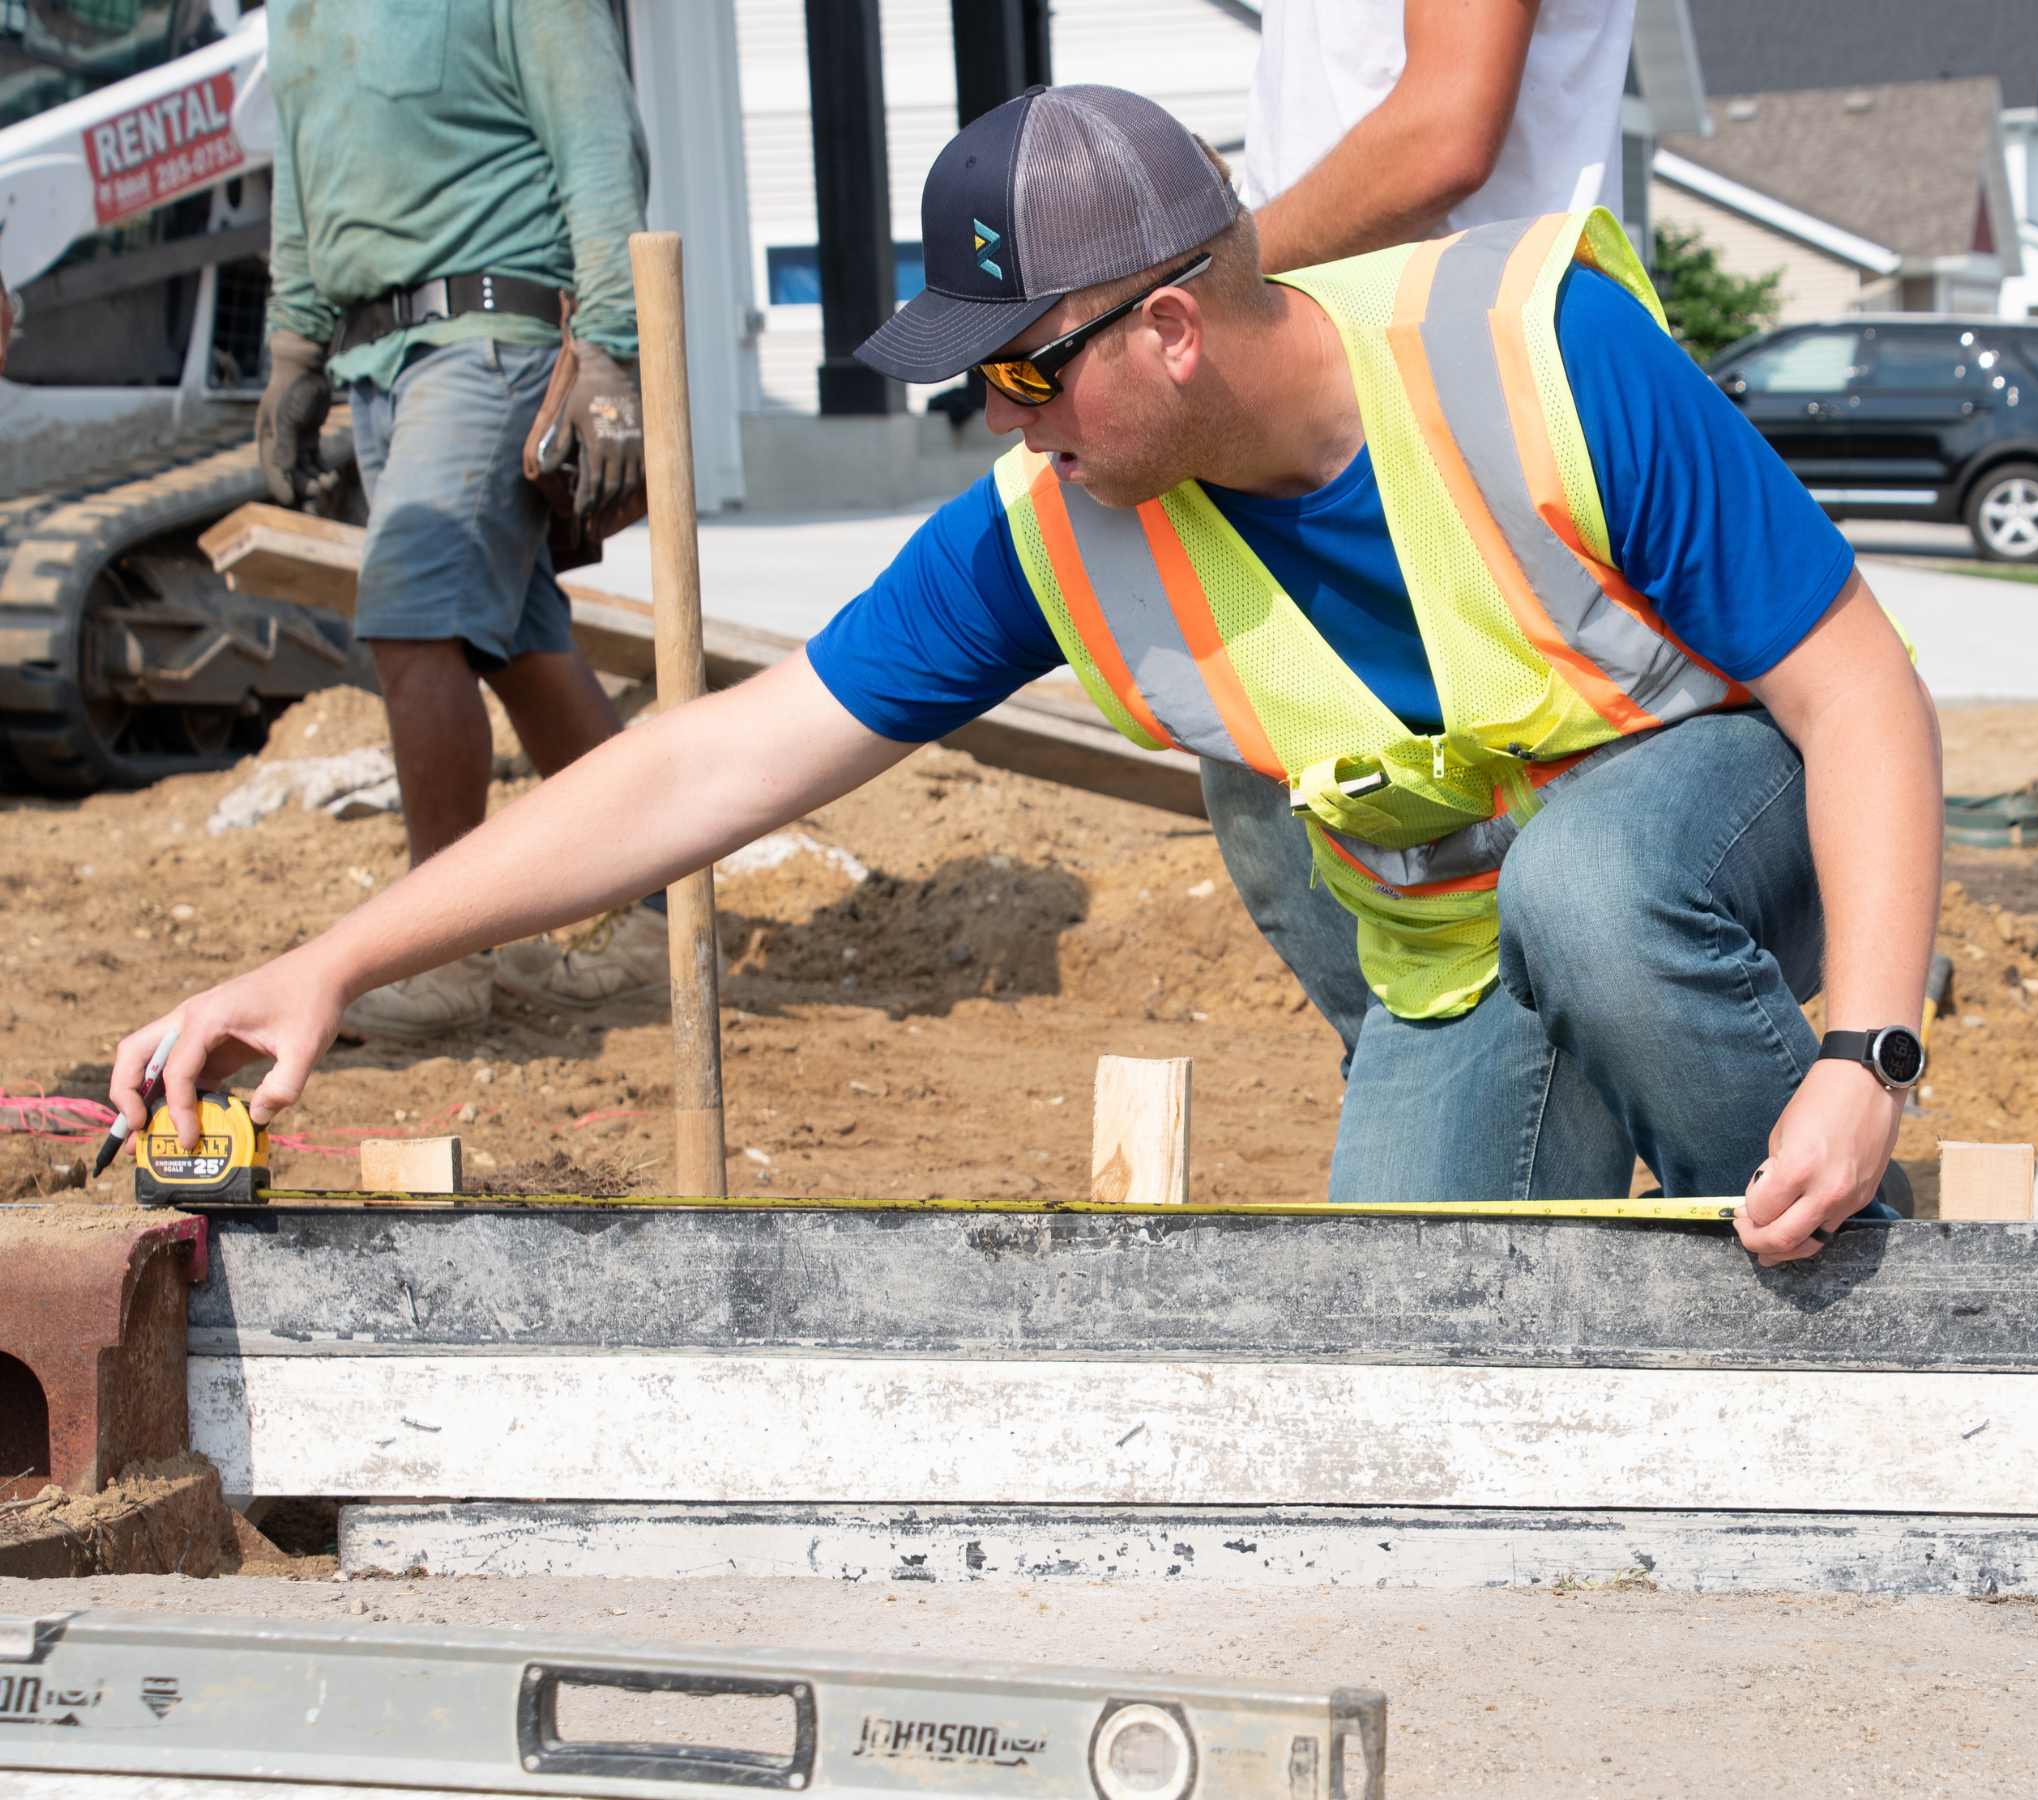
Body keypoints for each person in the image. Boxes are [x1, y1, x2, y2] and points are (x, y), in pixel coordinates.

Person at [119, 85, 1942, 1267]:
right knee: (1406, 1309)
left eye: (1022, 374)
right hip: (1464, 960)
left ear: (1165, 325)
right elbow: (714, 764)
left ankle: (1833, 1254)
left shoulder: (1530, 352)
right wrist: (333, 960)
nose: (1005, 422)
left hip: (1725, 843)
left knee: (1599, 884)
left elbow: (1863, 693)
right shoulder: (1062, 517)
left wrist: (1863, 1054)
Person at [1222, 0, 1639, 1059]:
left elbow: (1444, 131)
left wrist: (1206, 280)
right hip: (1352, 367)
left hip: (1453, 381)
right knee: (1300, 825)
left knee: (1513, 880)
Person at [256, 0, 669, 1039]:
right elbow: (301, 176)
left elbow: (596, 143)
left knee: (413, 623)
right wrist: (296, 351)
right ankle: (670, 913)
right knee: (520, 645)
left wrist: (613, 350)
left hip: (488, 336)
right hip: (377, 359)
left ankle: (442, 951)